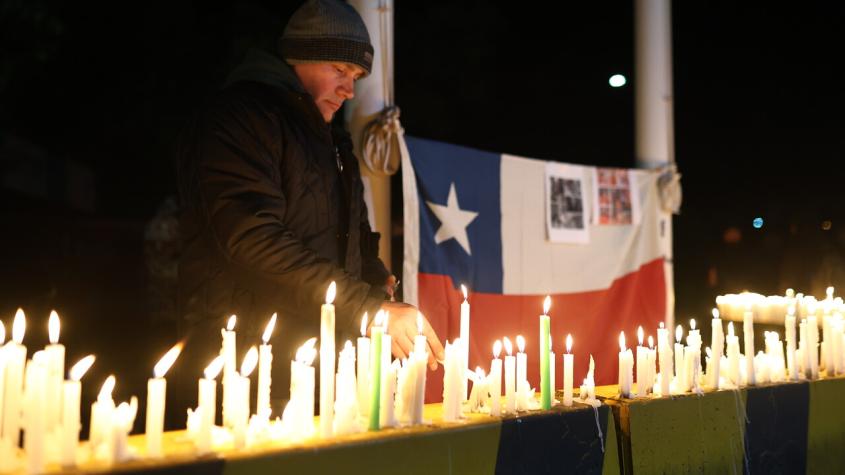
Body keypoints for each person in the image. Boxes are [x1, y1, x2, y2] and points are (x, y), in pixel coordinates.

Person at [174, 0, 444, 422]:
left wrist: (375, 284)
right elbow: (251, 237)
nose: (349, 90)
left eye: (355, 77)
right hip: (249, 361)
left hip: (318, 362)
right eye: (339, 69)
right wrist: (367, 308)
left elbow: (353, 235)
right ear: (299, 56)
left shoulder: (331, 141)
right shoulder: (243, 117)